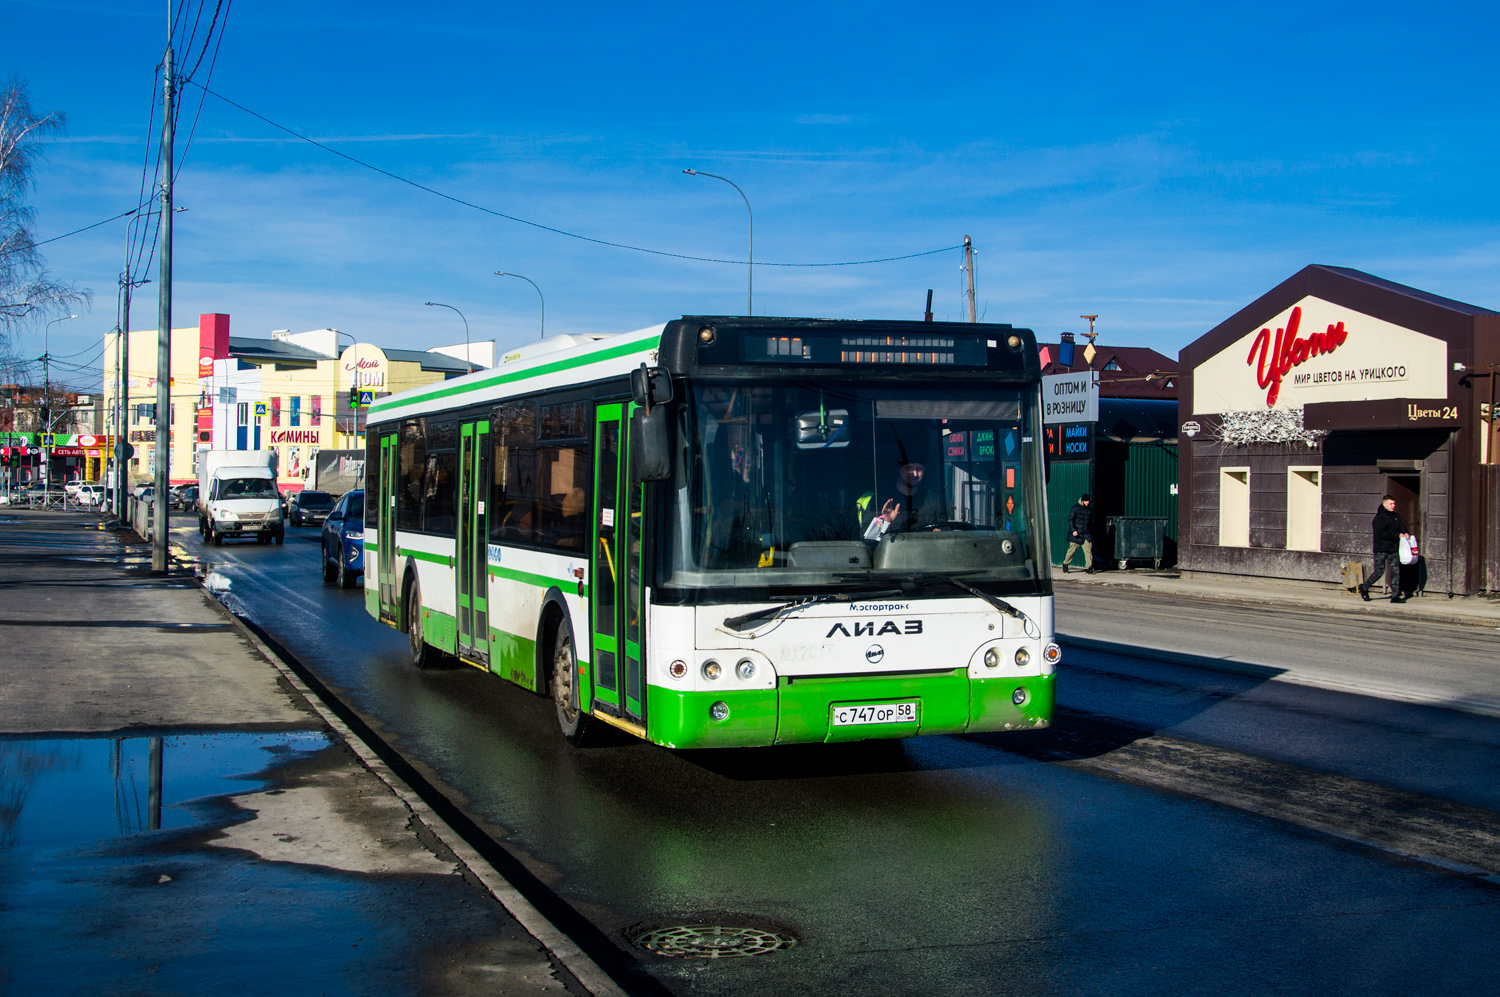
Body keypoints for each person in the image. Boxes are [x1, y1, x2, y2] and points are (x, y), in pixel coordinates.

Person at [862, 461, 946, 539]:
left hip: (926, 552)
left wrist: (940, 533)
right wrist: (885, 522)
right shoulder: (882, 498)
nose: (915, 474)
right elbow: (869, 538)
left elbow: (946, 528)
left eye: (919, 469)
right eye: (910, 468)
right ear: (900, 469)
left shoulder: (932, 498)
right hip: (893, 553)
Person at [1360, 495, 1409, 603]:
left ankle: (1395, 596)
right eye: (1391, 504)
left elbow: (1402, 526)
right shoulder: (1379, 518)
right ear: (1385, 504)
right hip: (1381, 549)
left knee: (1396, 572)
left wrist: (1405, 533)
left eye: (1394, 504)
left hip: (1393, 549)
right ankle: (1364, 587)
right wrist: (1397, 535)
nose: (1393, 506)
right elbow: (1382, 533)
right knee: (1379, 571)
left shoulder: (1396, 516)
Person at [1062, 493, 1094, 573]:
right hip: (1077, 535)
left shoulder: (1089, 510)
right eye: (1086, 501)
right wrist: (1074, 530)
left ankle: (1089, 568)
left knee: (1088, 550)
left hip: (1086, 534)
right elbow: (1071, 520)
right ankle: (1065, 564)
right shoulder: (1075, 508)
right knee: (1071, 551)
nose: (1088, 503)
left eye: (1088, 501)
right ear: (1082, 501)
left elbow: (1089, 522)